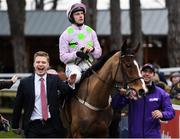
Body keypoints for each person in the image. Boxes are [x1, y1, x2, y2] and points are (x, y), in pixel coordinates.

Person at [11, 51, 76, 138]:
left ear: (48, 65)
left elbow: (67, 92)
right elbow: (18, 105)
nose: (40, 64)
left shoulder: (55, 79)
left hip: (52, 126)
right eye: (38, 62)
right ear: (34, 64)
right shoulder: (24, 83)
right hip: (32, 127)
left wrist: (71, 83)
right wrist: (15, 125)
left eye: (43, 62)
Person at [111, 63, 175, 138]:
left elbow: (171, 112)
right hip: (134, 136)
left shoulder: (161, 93)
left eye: (150, 72)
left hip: (153, 136)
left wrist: (162, 114)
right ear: (140, 74)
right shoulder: (132, 91)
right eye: (144, 71)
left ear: (153, 75)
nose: (147, 74)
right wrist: (121, 95)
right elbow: (115, 105)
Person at [59, 3, 102, 84]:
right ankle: (66, 94)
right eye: (77, 14)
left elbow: (98, 54)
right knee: (76, 76)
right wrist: (76, 54)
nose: (81, 16)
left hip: (89, 66)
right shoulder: (65, 34)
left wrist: (92, 49)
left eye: (82, 13)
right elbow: (62, 57)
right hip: (72, 67)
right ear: (71, 17)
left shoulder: (91, 32)